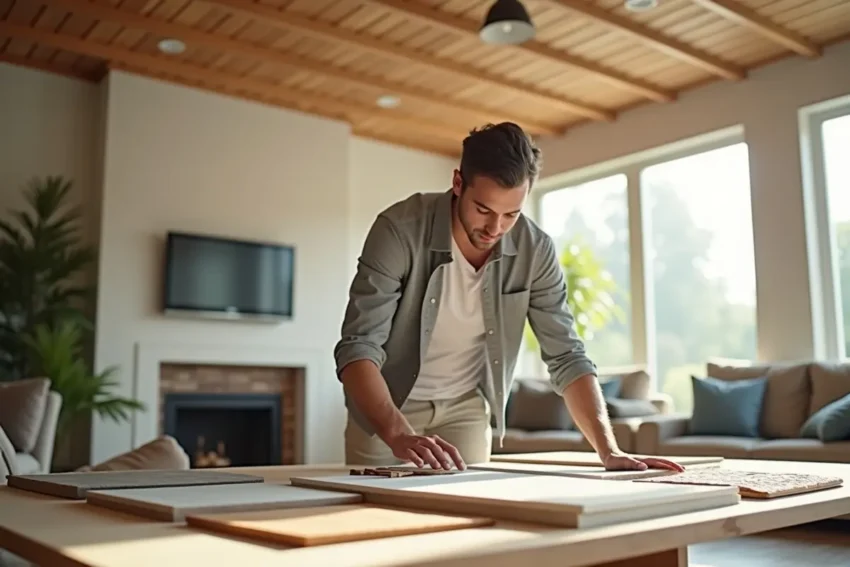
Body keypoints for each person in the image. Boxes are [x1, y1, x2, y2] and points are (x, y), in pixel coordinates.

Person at [334, 122, 683, 474]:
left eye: (511, 214)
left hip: (465, 408)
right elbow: (358, 347)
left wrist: (608, 450)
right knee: (379, 514)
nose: (495, 229)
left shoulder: (536, 250)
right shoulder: (399, 230)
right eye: (483, 210)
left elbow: (566, 355)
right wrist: (397, 433)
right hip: (388, 407)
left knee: (466, 522)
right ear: (457, 184)